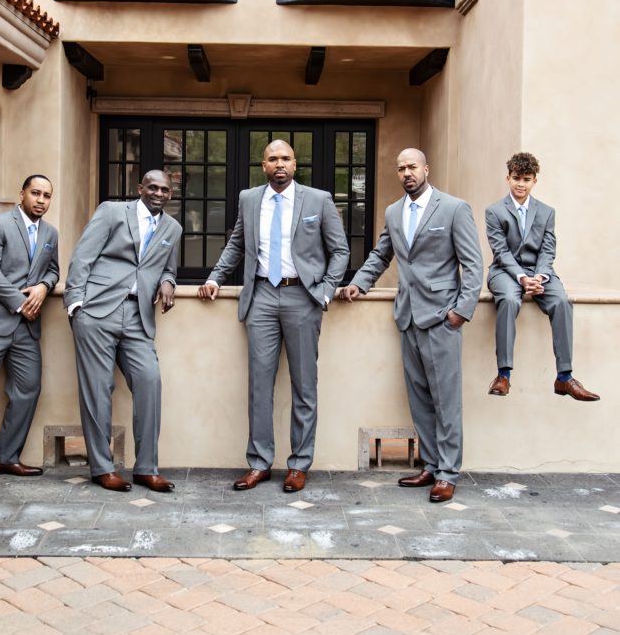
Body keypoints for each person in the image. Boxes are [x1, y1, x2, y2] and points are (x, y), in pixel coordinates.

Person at [198, 140, 349, 493]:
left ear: (295, 164)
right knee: (259, 385)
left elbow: (339, 250)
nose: (279, 164)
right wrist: (214, 277)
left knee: (303, 385)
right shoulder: (250, 199)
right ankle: (259, 463)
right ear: (263, 165)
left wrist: (325, 291)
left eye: (285, 158)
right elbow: (237, 244)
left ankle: (299, 464)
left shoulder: (318, 199)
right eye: (272, 159)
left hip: (303, 296)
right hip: (261, 296)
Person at [340, 148, 482, 503]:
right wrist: (360, 283)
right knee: (419, 398)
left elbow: (474, 264)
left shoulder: (453, 208)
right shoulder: (394, 211)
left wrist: (460, 311)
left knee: (446, 400)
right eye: (401, 168)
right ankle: (432, 465)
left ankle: (449, 473)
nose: (407, 173)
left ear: (426, 169)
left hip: (441, 319)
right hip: (407, 317)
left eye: (412, 167)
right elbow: (380, 254)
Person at [64, 170, 182, 492]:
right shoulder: (113, 211)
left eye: (165, 190)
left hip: (138, 315)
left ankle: (146, 468)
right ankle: (102, 468)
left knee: (150, 381)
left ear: (171, 195)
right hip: (98, 310)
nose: (159, 193)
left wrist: (168, 282)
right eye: (153, 187)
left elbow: (167, 267)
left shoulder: (173, 228)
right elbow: (82, 256)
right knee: (97, 391)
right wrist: (75, 304)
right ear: (140, 188)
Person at [0, 175, 59, 496]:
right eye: (35, 193)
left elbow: (53, 270)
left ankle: (4, 456)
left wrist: (44, 287)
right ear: (22, 194)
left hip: (26, 330)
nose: (41, 200)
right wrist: (21, 303)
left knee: (29, 389)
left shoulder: (50, 233)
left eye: (46, 195)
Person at [485, 152, 599, 401]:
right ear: (508, 178)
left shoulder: (547, 212)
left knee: (561, 302)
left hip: (540, 273)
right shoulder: (494, 212)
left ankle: (565, 378)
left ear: (534, 181)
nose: (521, 184)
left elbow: (548, 250)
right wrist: (522, 279)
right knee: (510, 300)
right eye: (516, 178)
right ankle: (503, 375)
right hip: (505, 271)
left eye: (526, 179)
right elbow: (501, 252)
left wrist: (540, 277)